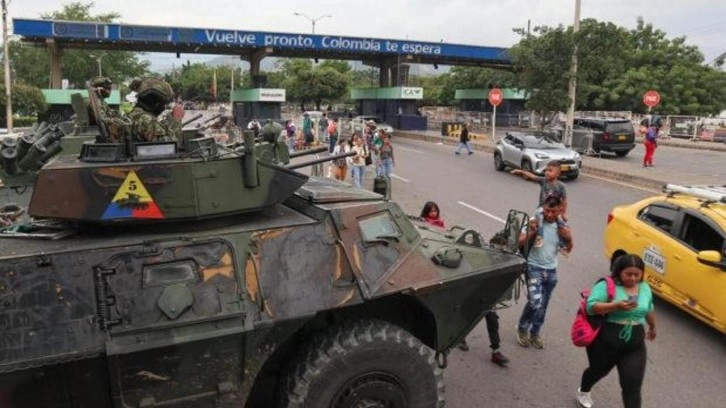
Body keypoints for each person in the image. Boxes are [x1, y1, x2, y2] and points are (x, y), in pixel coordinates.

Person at [419, 201, 509, 367]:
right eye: (497, 247)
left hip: (486, 294)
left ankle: (496, 350)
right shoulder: (478, 255)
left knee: (492, 320)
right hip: (474, 292)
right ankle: (460, 339)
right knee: (465, 316)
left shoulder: (502, 260)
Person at [576, 254, 656, 408]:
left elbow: (649, 308)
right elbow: (591, 307)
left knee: (632, 386)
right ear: (619, 271)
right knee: (598, 371)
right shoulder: (606, 285)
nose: (633, 278)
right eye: (628, 274)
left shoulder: (644, 288)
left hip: (634, 346)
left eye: (637, 274)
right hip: (605, 343)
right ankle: (584, 390)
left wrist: (652, 327)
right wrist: (615, 306)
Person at [515, 196, 573, 349]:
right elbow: (519, 242)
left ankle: (535, 332)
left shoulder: (562, 226)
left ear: (560, 210)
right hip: (533, 267)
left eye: (553, 211)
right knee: (535, 302)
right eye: (547, 210)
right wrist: (532, 232)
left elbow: (568, 248)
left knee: (543, 305)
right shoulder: (534, 221)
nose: (549, 214)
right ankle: (522, 328)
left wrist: (568, 238)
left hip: (551, 270)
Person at [511, 161, 569, 249]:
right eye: (546, 170)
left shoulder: (561, 186)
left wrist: (563, 213)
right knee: (537, 221)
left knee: (562, 226)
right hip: (541, 208)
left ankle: (562, 244)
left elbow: (564, 200)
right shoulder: (543, 181)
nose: (547, 173)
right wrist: (521, 171)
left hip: (554, 211)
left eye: (550, 171)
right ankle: (539, 237)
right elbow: (532, 176)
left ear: (558, 174)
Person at [128, 77, 178, 142]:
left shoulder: (132, 115)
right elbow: (170, 143)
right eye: (163, 103)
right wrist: (176, 121)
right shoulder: (147, 120)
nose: (163, 107)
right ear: (155, 102)